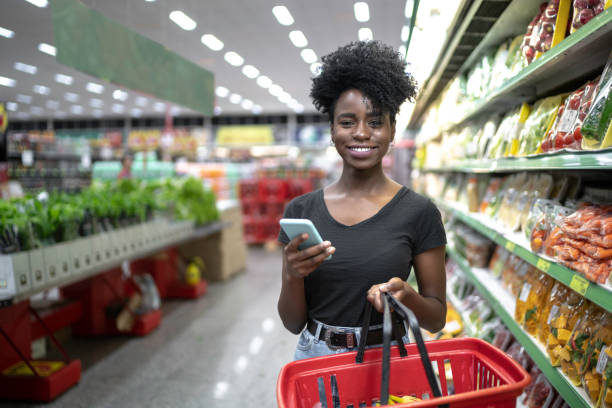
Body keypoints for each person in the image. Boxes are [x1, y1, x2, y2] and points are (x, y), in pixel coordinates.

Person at [277, 41, 447, 360]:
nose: (361, 133)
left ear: (392, 129)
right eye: (347, 122)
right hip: (316, 356)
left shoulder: (419, 212)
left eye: (375, 121)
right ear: (332, 130)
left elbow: (436, 319)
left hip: (387, 359)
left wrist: (406, 296)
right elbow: (292, 322)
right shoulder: (301, 212)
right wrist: (291, 274)